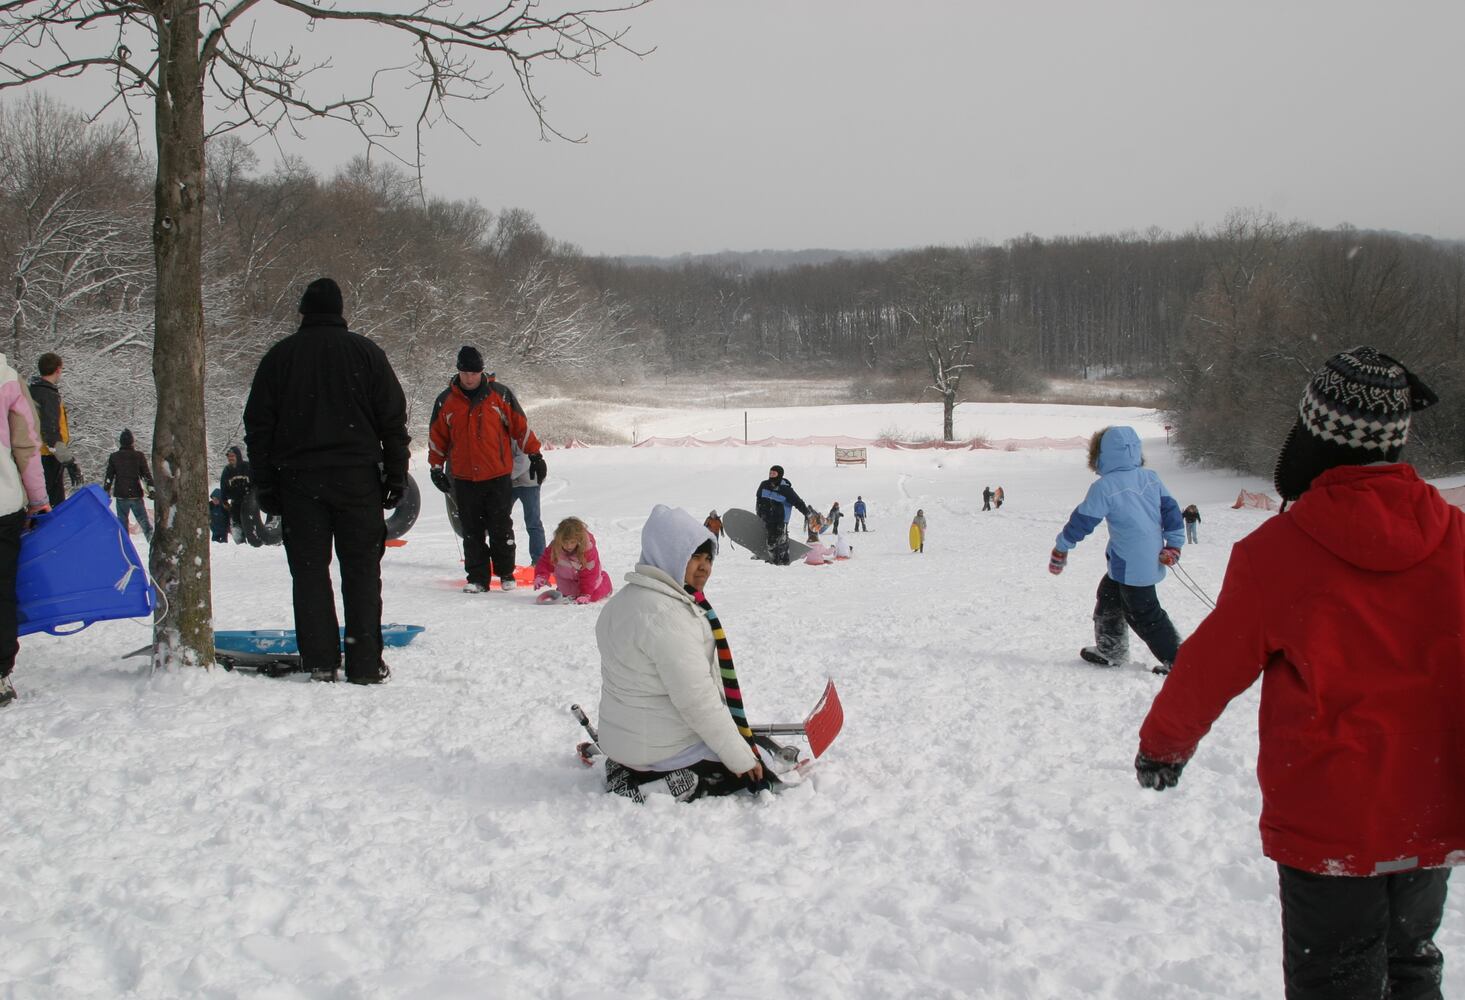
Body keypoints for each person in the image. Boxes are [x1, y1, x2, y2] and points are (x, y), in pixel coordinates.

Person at [1134, 347, 1458, 1000]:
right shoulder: (1455, 537)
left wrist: (1162, 747)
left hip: (1329, 821)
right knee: (1411, 966)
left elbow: (1209, 666)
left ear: (1313, 438)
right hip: (1431, 812)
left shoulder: (1276, 554)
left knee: (1332, 979)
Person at [243, 276, 410, 685]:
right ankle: (365, 663)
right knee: (361, 572)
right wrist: (396, 474)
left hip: (299, 482)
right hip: (357, 479)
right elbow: (393, 419)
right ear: (340, 312)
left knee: (310, 573)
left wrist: (265, 484)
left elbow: (258, 426)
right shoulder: (366, 353)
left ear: (303, 311)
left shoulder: (281, 357)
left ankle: (319, 660)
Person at [595, 504, 764, 802]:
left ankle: (629, 767)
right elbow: (697, 700)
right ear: (669, 556)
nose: (704, 566)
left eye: (708, 557)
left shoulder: (625, 601)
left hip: (624, 738)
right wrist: (742, 759)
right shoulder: (665, 615)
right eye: (693, 557)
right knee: (762, 759)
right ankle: (664, 781)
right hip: (660, 747)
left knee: (741, 742)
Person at [1048, 426, 1184, 672]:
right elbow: (1172, 512)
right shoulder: (1150, 477)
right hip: (1135, 560)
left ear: (1100, 455)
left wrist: (1061, 548)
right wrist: (1173, 545)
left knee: (1144, 614)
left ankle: (1180, 663)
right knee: (1109, 598)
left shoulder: (1105, 487)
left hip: (1132, 565)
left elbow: (1082, 522)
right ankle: (1111, 650)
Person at [428, 347, 545, 593]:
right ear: (458, 372)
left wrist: (535, 455)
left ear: (482, 371)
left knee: (501, 527)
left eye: (474, 372)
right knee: (472, 530)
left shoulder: (499, 395)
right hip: (464, 476)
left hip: (497, 475)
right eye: (465, 372)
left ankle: (505, 573)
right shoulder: (446, 400)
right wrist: (436, 468)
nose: (469, 377)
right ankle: (477, 578)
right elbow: (438, 438)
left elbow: (520, 427)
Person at [0, 353, 51, 707]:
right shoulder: (4, 376)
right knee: (1, 590)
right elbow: (26, 445)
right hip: (1, 502)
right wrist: (38, 499)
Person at [29, 352, 80, 508]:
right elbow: (51, 432)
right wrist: (68, 461)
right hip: (48, 456)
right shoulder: (49, 395)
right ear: (58, 369)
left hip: (32, 454)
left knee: (38, 503)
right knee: (53, 505)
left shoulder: (32, 391)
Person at [533, 516, 612, 604]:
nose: (569, 546)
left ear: (578, 540)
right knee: (567, 595)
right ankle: (570, 590)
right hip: (565, 577)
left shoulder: (588, 550)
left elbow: (589, 574)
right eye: (565, 542)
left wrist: (585, 594)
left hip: (588, 579)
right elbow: (545, 562)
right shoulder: (555, 547)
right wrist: (541, 576)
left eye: (572, 542)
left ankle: (605, 581)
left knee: (594, 595)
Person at [103, 428, 153, 543]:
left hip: (121, 495)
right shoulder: (139, 456)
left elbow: (109, 476)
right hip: (135, 494)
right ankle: (152, 542)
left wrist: (106, 491)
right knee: (144, 521)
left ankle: (126, 547)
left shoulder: (114, 456)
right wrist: (151, 489)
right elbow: (146, 475)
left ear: (121, 442)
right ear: (132, 442)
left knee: (122, 523)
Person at [755, 464, 810, 565]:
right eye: (770, 473)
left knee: (781, 539)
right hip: (767, 517)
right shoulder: (764, 485)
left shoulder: (786, 489)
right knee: (770, 539)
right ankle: (773, 559)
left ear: (779, 474)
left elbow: (798, 502)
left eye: (774, 473)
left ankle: (784, 559)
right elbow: (759, 500)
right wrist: (759, 512)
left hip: (782, 518)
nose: (771, 475)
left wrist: (807, 513)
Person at [510, 435, 546, 566]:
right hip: (509, 484)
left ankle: (539, 562)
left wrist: (503, 475)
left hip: (529, 483)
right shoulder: (495, 434)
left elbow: (524, 460)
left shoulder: (520, 434)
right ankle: (503, 561)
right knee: (500, 523)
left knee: (533, 522)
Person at [218, 446, 261, 546]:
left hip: (249, 500)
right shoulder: (227, 471)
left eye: (232, 456)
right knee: (236, 523)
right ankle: (241, 544)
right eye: (229, 457)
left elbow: (256, 482)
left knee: (251, 522)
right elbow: (223, 486)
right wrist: (224, 500)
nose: (230, 458)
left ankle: (256, 541)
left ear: (238, 456)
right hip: (236, 501)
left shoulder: (247, 467)